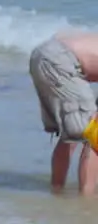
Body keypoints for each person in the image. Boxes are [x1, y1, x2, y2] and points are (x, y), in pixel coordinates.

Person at [29, 32, 98, 193]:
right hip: (60, 60)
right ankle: (86, 200)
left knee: (72, 132)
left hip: (42, 55)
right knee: (95, 135)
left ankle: (57, 189)